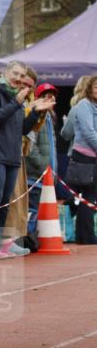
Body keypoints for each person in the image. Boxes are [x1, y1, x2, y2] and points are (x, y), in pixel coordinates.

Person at [0, 61, 55, 258]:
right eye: (16, 74)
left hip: (11, 155)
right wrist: (17, 103)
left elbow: (22, 130)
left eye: (22, 76)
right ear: (6, 72)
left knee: (4, 200)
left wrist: (36, 112)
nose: (19, 79)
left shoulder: (16, 96)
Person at [67, 74, 97, 245]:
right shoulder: (84, 105)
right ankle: (86, 237)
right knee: (87, 197)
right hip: (84, 157)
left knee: (89, 197)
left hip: (93, 157)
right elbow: (88, 132)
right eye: (96, 87)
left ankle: (84, 235)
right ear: (89, 89)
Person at [25, 82, 58, 235]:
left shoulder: (50, 118)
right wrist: (42, 165)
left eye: (52, 95)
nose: (49, 98)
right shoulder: (36, 116)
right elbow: (30, 145)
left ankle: (33, 240)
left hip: (46, 174)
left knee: (40, 210)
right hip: (35, 176)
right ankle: (27, 239)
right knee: (31, 210)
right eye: (45, 96)